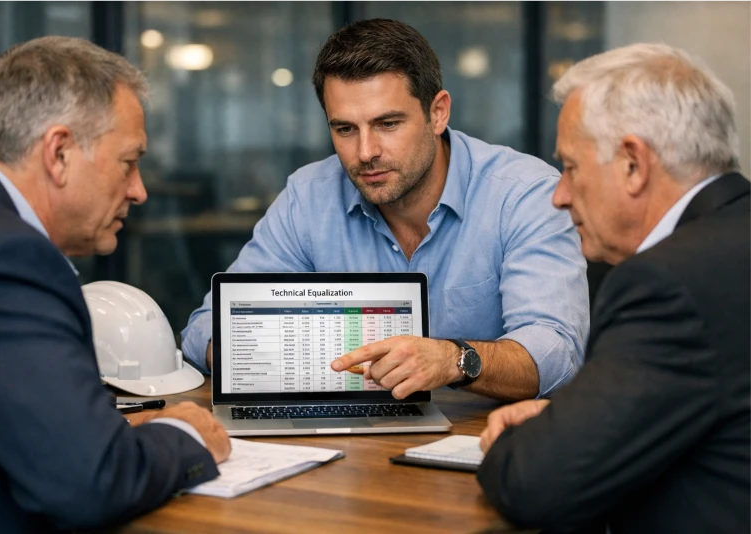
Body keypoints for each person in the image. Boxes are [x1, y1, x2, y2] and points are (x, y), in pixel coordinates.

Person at [183, 18, 589, 401]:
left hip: (483, 442)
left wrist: (452, 360)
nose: (365, 153)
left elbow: (556, 352)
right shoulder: (309, 196)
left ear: (437, 113)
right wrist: (278, 357)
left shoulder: (524, 193)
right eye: (345, 129)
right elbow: (204, 329)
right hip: (350, 442)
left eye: (388, 124)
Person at [0, 37, 231, 534]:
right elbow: (90, 484)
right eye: (129, 161)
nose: (139, 190)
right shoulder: (6, 258)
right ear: (58, 153)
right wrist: (182, 433)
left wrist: (105, 433)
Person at [477, 43, 751, 534]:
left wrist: (527, 441)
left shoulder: (667, 285)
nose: (559, 195)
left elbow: (535, 484)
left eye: (571, 167)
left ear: (632, 164)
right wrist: (588, 415)